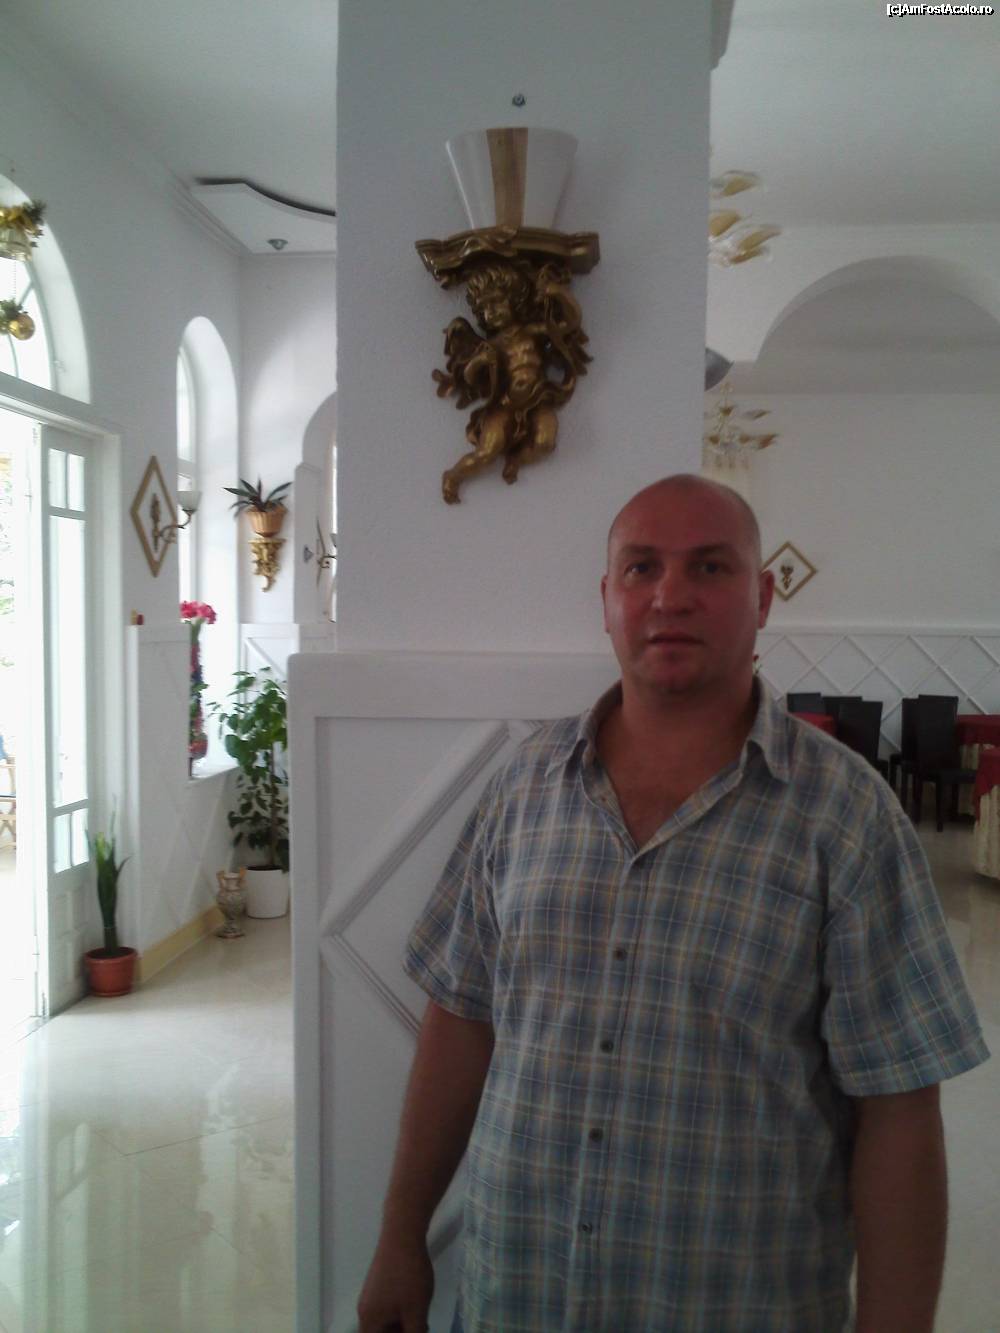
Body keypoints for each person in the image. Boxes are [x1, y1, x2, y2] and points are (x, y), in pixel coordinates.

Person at [357, 474, 989, 1332]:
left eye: (711, 567)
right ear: (606, 599)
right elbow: (460, 1023)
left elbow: (900, 1110)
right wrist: (400, 1236)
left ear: (763, 597)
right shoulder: (523, 789)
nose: (670, 596)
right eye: (641, 567)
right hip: (518, 1291)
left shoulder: (847, 816)